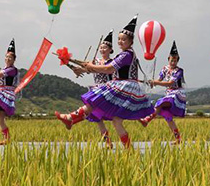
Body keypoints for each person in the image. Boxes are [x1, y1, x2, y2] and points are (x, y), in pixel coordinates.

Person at [55, 16, 154, 148]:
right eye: (119, 39)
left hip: (124, 85)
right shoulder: (125, 54)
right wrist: (85, 68)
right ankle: (129, 150)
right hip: (124, 85)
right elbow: (102, 69)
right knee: (116, 121)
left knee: (95, 100)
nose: (120, 41)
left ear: (131, 41)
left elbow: (109, 69)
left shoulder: (126, 55)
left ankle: (71, 118)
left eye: (123, 39)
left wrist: (91, 67)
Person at [69, 30, 115, 148]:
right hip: (96, 90)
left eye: (105, 48)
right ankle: (107, 142)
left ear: (110, 49)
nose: (103, 50)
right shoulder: (96, 61)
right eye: (101, 48)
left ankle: (71, 119)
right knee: (97, 119)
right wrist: (75, 66)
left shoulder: (112, 63)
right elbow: (88, 68)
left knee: (114, 119)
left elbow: (94, 69)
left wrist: (87, 68)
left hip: (106, 91)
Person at [139, 41, 186, 144]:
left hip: (177, 93)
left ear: (177, 61)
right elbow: (159, 80)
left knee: (161, 102)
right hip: (169, 93)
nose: (173, 62)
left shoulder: (179, 71)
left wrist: (155, 82)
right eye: (171, 60)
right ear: (168, 59)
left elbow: (170, 83)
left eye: (175, 61)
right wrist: (152, 83)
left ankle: (147, 119)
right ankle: (178, 139)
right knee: (168, 117)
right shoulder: (165, 69)